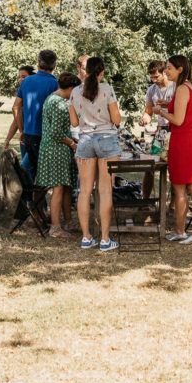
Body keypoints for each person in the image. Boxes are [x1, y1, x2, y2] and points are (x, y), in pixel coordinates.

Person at [69, 57, 122, 252]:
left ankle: (86, 237)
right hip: (107, 139)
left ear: (85, 71)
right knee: (105, 190)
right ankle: (105, 239)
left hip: (84, 141)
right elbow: (116, 118)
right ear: (102, 71)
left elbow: (74, 123)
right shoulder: (107, 90)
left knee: (84, 191)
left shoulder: (75, 91)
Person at [155, 55, 192, 245]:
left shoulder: (181, 89)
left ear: (180, 69)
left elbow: (178, 120)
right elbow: (186, 112)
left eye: (169, 68)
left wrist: (160, 112)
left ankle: (182, 231)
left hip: (185, 142)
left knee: (181, 190)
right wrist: (167, 105)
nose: (166, 71)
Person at [37, 72, 81, 237]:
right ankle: (55, 227)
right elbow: (55, 132)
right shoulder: (59, 104)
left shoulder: (52, 98)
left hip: (57, 149)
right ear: (70, 88)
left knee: (67, 187)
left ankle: (68, 221)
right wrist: (71, 144)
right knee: (59, 188)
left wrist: (73, 138)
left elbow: (59, 129)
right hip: (56, 150)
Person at [12, 50, 58, 182]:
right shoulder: (55, 84)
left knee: (30, 170)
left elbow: (15, 107)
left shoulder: (27, 81)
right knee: (41, 173)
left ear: (38, 63)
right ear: (54, 65)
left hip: (29, 134)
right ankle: (33, 201)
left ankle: (31, 201)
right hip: (47, 136)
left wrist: (22, 130)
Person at [138, 59, 174, 198]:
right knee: (149, 166)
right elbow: (148, 111)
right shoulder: (152, 90)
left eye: (156, 77)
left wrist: (166, 106)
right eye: (151, 77)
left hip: (174, 129)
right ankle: (144, 200)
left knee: (174, 169)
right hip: (160, 132)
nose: (154, 80)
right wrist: (144, 119)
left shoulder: (175, 86)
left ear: (164, 72)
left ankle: (172, 205)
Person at [3, 65, 36, 152]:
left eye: (23, 77)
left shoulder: (35, 95)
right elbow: (17, 120)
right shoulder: (22, 96)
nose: (20, 79)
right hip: (24, 139)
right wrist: (7, 139)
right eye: (19, 77)